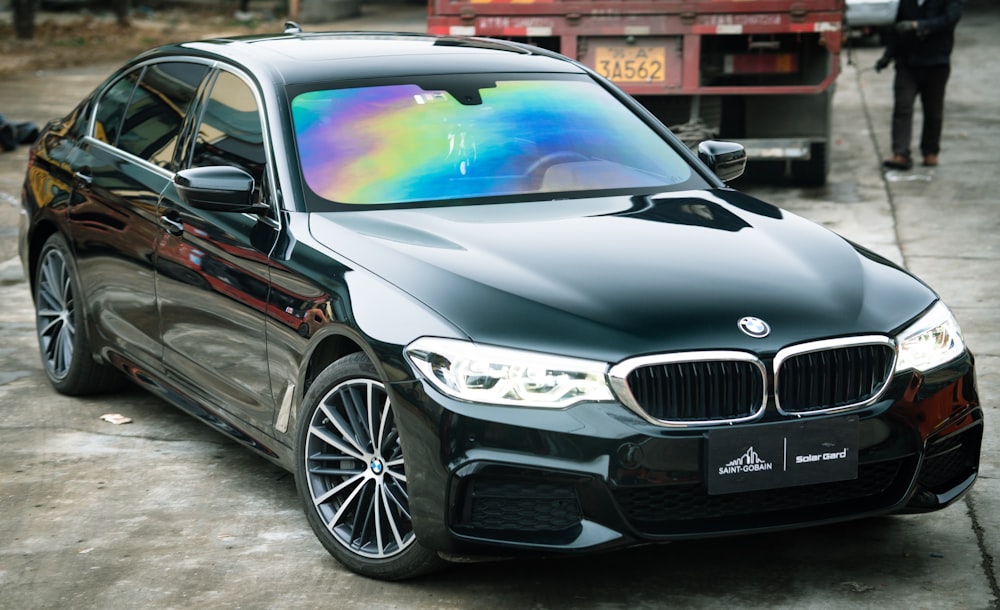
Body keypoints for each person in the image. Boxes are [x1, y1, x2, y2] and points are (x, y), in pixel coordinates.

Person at [875, 0, 962, 170]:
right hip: (908, 63)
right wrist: (887, 56)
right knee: (902, 107)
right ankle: (900, 153)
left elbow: (950, 19)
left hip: (936, 63)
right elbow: (898, 29)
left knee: (933, 111)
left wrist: (918, 25)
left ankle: (930, 152)